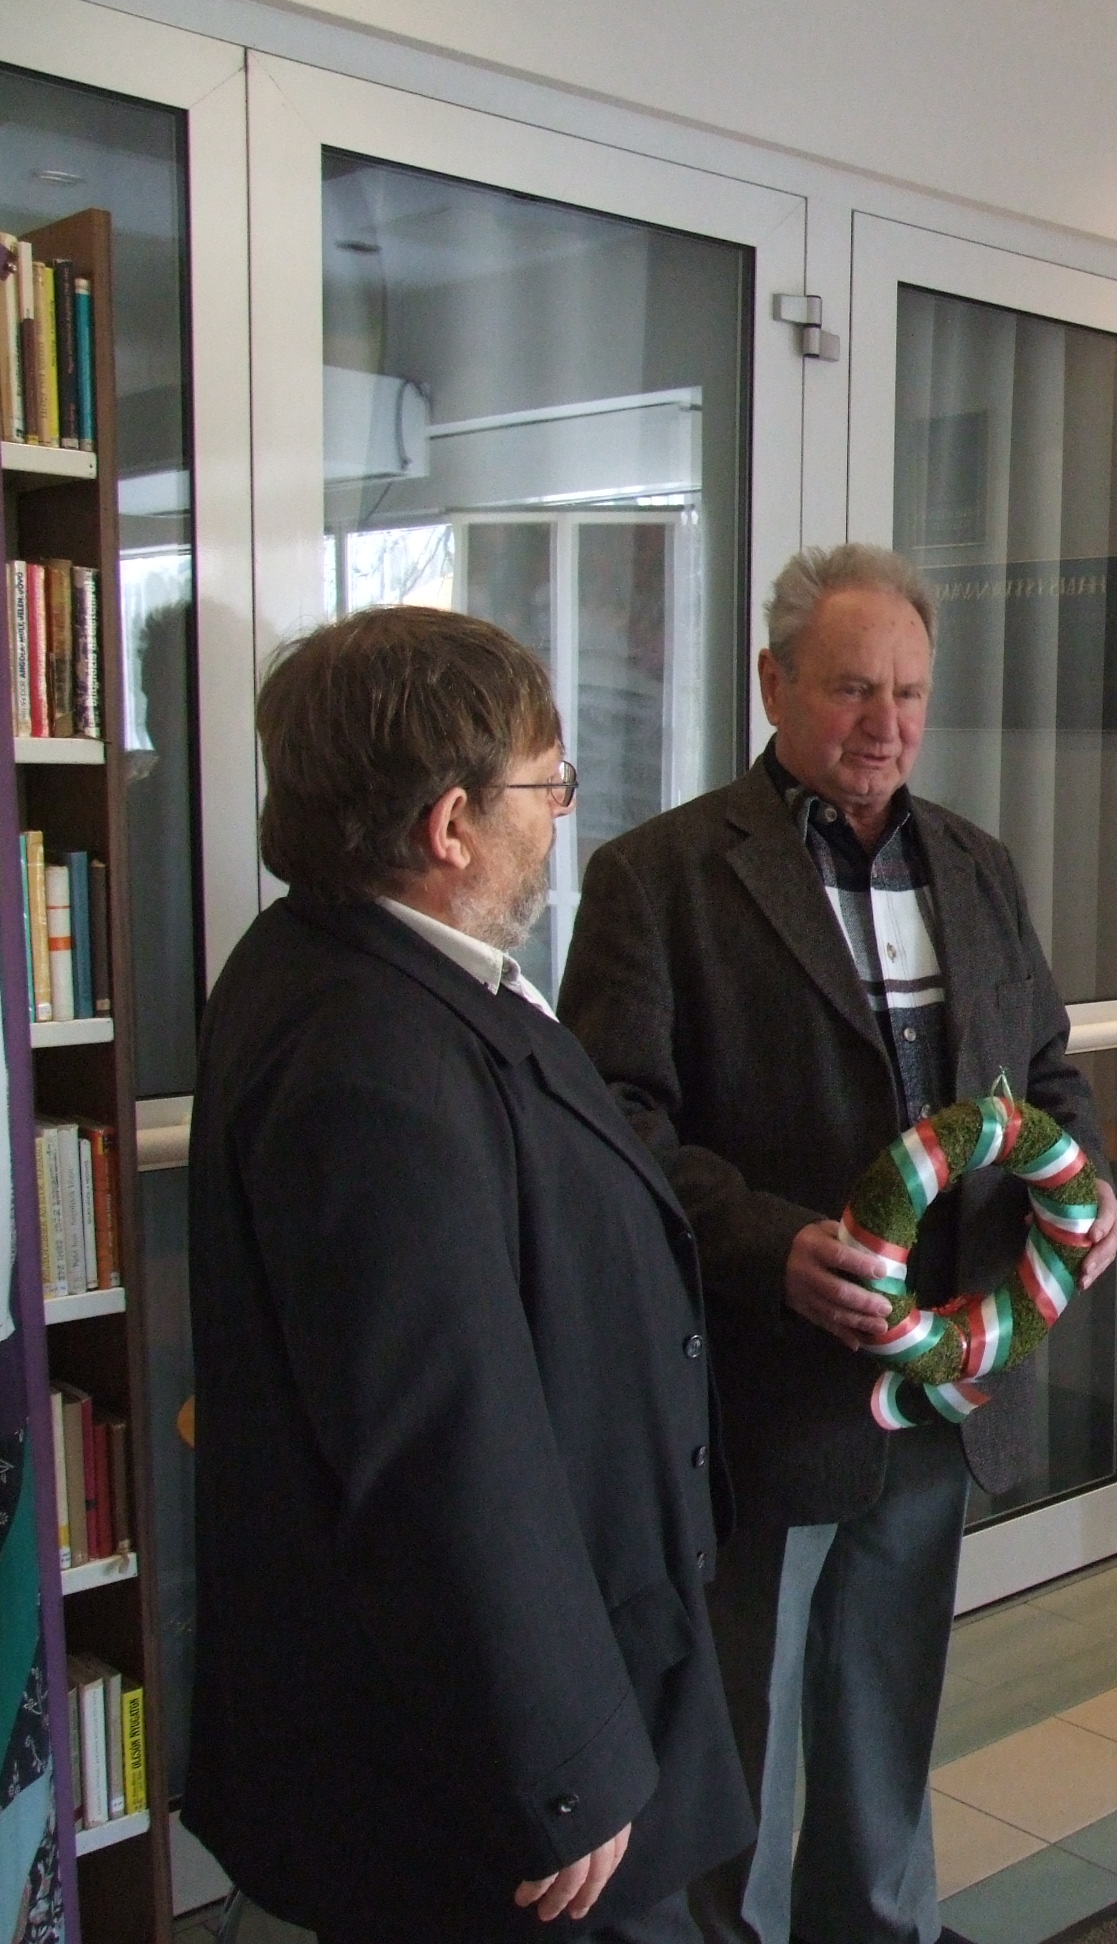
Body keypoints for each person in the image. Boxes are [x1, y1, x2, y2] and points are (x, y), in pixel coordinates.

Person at [557, 543, 1117, 1944]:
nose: (886, 724)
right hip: (767, 1383)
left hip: (946, 1375)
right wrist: (770, 1247)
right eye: (851, 688)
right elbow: (616, 1127)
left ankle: (879, 1928)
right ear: (772, 683)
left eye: (911, 693)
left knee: (889, 1696)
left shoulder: (978, 867)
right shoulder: (660, 878)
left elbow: (1047, 1070)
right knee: (740, 1718)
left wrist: (1087, 1186)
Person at [185, 608, 752, 1944]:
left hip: (529, 1689)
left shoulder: (352, 962)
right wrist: (565, 1767)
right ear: (452, 826)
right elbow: (439, 1448)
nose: (558, 818)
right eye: (548, 785)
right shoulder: (368, 1059)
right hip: (499, 1777)